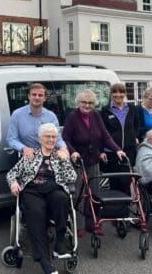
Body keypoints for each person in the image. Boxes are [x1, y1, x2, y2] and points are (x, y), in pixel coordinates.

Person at [6, 123, 77, 274]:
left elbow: (72, 177)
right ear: (40, 139)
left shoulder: (60, 155)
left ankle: (60, 243)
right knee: (36, 215)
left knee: (62, 198)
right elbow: (12, 173)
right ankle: (45, 262)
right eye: (47, 136)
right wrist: (13, 183)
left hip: (54, 190)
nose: (51, 139)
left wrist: (65, 159)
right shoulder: (31, 155)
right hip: (32, 192)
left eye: (53, 137)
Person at [62, 89, 126, 234]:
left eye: (90, 103)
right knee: (78, 194)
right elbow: (65, 138)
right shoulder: (72, 117)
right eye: (84, 102)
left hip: (94, 159)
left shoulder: (96, 115)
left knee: (94, 193)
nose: (87, 105)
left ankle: (92, 223)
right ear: (78, 102)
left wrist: (117, 150)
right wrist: (73, 151)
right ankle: (77, 226)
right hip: (78, 161)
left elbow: (105, 135)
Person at [7, 83, 68, 160]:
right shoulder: (17, 115)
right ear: (29, 96)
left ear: (45, 98)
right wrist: (23, 148)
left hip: (48, 158)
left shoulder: (51, 117)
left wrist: (63, 148)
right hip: (28, 157)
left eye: (40, 95)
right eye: (34, 94)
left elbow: (58, 139)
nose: (37, 97)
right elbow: (11, 139)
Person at [100, 82, 140, 194]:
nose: (118, 95)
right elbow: (101, 132)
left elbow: (137, 125)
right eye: (115, 92)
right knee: (115, 181)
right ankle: (117, 208)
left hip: (129, 151)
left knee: (126, 180)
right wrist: (101, 150)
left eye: (121, 92)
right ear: (111, 94)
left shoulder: (132, 108)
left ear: (125, 94)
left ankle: (125, 207)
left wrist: (134, 136)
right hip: (111, 152)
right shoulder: (105, 110)